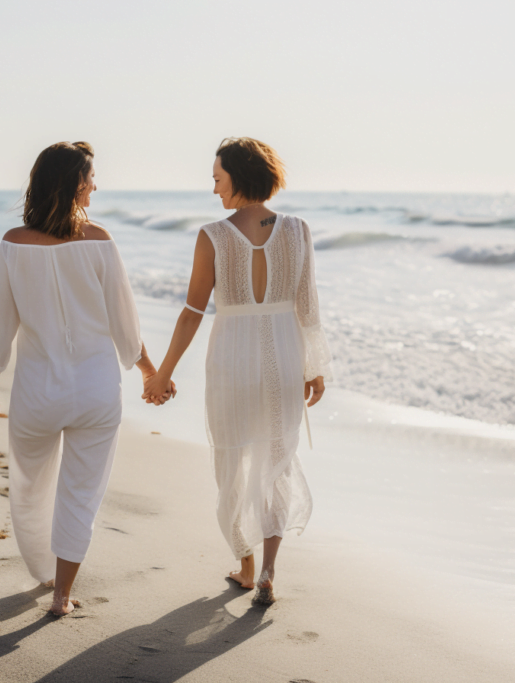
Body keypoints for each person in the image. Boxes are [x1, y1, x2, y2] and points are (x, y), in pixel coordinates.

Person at [0, 141, 173, 616]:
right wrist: (150, 373)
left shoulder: (13, 242)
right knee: (80, 494)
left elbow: (0, 320)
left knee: (29, 486)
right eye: (90, 176)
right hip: (96, 389)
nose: (95, 185)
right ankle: (62, 595)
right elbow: (125, 324)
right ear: (72, 183)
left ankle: (43, 570)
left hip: (35, 391)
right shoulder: (101, 240)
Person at [143, 137, 332, 605]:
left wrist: (162, 374)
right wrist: (314, 366)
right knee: (277, 460)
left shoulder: (213, 236)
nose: (214, 190)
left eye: (217, 179)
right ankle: (268, 570)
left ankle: (245, 567)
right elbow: (308, 305)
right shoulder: (298, 229)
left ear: (238, 178)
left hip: (231, 358)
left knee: (232, 463)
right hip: (285, 356)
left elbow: (192, 312)